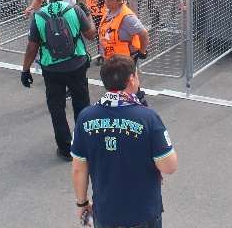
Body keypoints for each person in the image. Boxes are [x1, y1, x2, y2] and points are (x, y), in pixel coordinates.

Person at [70, 54, 177, 228]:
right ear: (130, 79)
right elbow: (169, 166)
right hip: (143, 212)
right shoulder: (148, 118)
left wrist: (82, 204)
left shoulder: (85, 117)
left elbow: (78, 169)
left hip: (106, 213)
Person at [21, 0, 96, 162]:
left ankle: (64, 148)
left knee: (57, 108)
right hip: (77, 64)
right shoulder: (75, 11)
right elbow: (91, 35)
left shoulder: (39, 16)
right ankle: (83, 145)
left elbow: (32, 47)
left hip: (51, 68)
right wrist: (89, 15)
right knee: (81, 104)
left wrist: (25, 70)